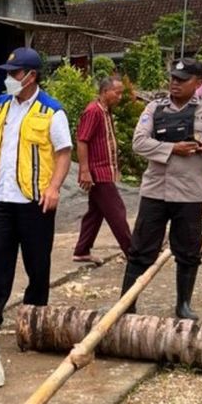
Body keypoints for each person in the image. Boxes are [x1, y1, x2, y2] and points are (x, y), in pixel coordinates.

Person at [121, 57, 202, 319]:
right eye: (173, 79)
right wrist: (171, 148)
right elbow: (139, 143)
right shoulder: (154, 108)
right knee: (141, 250)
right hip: (155, 190)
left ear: (198, 83)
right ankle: (127, 303)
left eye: (182, 80)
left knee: (188, 251)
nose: (174, 84)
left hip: (189, 193)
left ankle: (183, 305)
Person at [0, 47, 72, 333]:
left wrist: (54, 188)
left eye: (14, 73)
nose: (9, 78)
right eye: (8, 73)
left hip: (34, 200)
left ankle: (34, 318)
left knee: (37, 263)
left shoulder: (51, 110)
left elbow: (63, 153)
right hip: (2, 199)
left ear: (31, 76)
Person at [72, 76, 132, 264]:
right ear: (105, 92)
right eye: (117, 92)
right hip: (98, 172)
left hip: (106, 170)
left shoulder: (106, 111)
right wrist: (84, 170)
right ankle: (132, 252)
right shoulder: (93, 112)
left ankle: (82, 250)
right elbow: (82, 140)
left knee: (95, 213)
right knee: (117, 211)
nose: (120, 96)